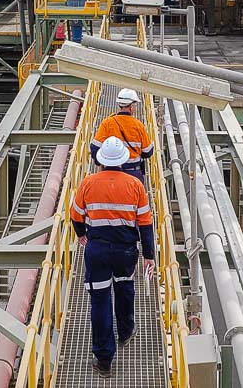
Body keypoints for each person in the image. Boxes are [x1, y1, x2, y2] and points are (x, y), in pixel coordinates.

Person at [70, 136, 156, 377]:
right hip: (125, 250)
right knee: (125, 288)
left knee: (99, 301)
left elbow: (76, 215)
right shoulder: (135, 185)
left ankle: (104, 359)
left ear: (101, 161)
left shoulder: (88, 183)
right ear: (122, 161)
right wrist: (149, 255)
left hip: (97, 249)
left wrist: (81, 236)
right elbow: (145, 224)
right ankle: (126, 331)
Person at [90, 88, 154, 183]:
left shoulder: (107, 123)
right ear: (131, 107)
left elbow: (94, 148)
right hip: (133, 174)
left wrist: (101, 163)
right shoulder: (138, 125)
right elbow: (148, 152)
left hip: (110, 174)